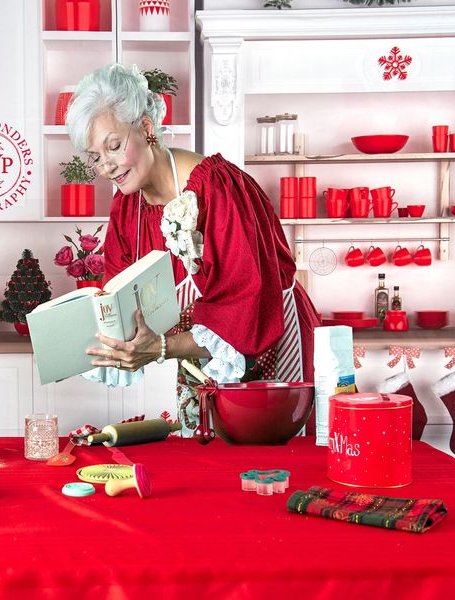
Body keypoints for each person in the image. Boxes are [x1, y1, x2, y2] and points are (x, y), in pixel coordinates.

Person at [65, 64, 320, 434]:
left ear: (147, 129)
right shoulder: (128, 204)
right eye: (95, 156)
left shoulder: (219, 188)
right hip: (198, 357)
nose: (106, 166)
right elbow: (119, 299)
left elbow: (245, 314)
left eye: (114, 146)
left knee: (268, 475)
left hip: (273, 346)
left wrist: (162, 348)